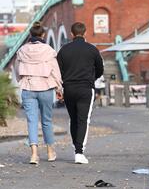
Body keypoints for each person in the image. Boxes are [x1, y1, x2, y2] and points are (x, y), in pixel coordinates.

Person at [14, 21, 63, 164]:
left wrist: (22, 79)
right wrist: (59, 89)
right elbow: (55, 71)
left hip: (28, 88)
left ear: (30, 35)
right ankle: (49, 152)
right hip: (45, 88)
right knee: (47, 121)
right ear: (43, 34)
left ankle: (34, 154)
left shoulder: (22, 50)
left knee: (32, 121)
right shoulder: (48, 50)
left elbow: (17, 71)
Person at [57, 22, 104, 165]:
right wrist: (91, 78)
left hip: (69, 89)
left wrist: (62, 85)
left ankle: (76, 146)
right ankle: (79, 152)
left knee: (73, 119)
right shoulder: (92, 50)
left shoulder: (63, 50)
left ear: (71, 34)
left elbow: (58, 70)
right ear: (85, 33)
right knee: (83, 119)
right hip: (85, 88)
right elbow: (100, 69)